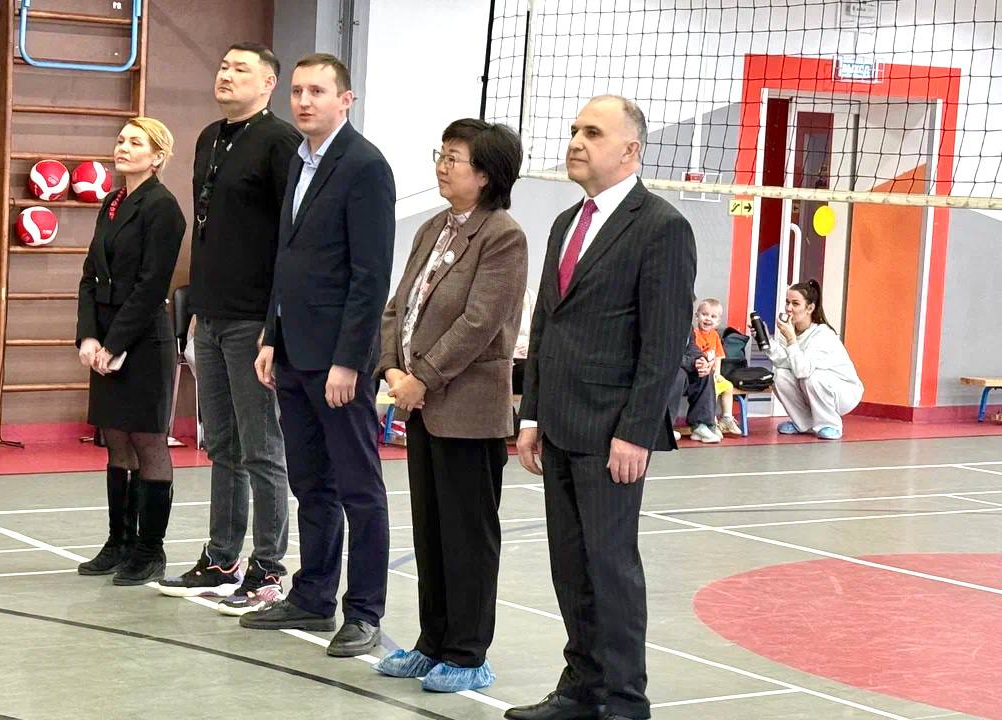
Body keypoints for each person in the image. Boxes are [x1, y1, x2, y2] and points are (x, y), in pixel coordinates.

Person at [510, 96, 696, 720]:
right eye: (574, 130)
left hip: (613, 431)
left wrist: (636, 432)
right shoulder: (566, 222)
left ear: (630, 150)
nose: (576, 141)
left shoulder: (661, 227)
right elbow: (548, 325)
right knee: (570, 565)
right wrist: (531, 415)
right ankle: (582, 687)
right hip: (559, 425)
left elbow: (663, 341)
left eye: (592, 132)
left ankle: (623, 700)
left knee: (611, 567)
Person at [240, 53, 396, 659]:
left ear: (345, 100)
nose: (304, 101)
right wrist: (271, 336)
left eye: (318, 92)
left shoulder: (365, 166)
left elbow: (369, 274)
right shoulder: (299, 162)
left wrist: (349, 361)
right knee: (311, 483)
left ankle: (364, 611)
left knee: (359, 489)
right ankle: (312, 595)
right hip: (293, 354)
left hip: (337, 362)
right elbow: (287, 258)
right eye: (298, 91)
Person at [373, 119, 527, 693]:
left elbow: (480, 323)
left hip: (467, 409)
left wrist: (424, 378)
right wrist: (392, 368)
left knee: (467, 536)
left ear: (485, 174)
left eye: (454, 157)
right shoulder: (433, 227)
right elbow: (398, 306)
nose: (442, 164)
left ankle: (467, 653)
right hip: (421, 403)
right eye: (441, 153)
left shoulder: (503, 235)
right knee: (431, 532)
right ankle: (431, 643)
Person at [153, 42, 301, 615]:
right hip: (210, 316)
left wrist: (274, 324)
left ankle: (268, 568)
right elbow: (209, 231)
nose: (226, 75)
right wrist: (194, 305)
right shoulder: (210, 138)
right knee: (222, 445)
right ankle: (221, 558)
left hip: (252, 320)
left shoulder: (280, 142)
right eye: (223, 67)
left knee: (261, 447)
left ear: (267, 84)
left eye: (241, 69)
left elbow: (290, 236)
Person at [74, 117, 186, 586]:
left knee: (147, 442)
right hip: (106, 338)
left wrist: (116, 343)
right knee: (116, 441)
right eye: (121, 140)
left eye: (136, 142)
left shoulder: (163, 207)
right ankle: (118, 543)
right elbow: (90, 274)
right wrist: (89, 337)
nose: (123, 147)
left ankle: (149, 550)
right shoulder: (112, 202)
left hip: (142, 340)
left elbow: (151, 285)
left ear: (157, 156)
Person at [768, 279, 863, 439]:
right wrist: (765, 341)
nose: (789, 308)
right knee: (780, 374)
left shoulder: (822, 335)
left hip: (843, 392)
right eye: (787, 302)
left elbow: (802, 370)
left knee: (811, 377)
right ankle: (803, 423)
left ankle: (830, 424)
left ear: (810, 308)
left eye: (795, 304)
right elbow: (784, 362)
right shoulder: (791, 331)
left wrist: (791, 339)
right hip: (811, 385)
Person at [680, 297, 740, 443]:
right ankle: (710, 423)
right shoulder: (694, 333)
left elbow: (718, 356)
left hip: (711, 372)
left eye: (713, 316)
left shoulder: (715, 336)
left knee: (728, 386)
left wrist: (717, 374)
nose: (708, 319)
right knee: (710, 386)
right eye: (705, 314)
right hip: (697, 372)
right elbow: (692, 354)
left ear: (718, 321)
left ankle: (726, 418)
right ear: (697, 316)